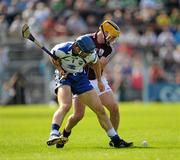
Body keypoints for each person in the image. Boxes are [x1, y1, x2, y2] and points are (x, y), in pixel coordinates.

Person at [56, 20, 133, 148]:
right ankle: (64, 134)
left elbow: (99, 64)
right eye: (113, 36)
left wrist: (88, 59)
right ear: (105, 32)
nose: (113, 40)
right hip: (80, 79)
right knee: (78, 115)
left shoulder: (108, 48)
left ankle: (115, 138)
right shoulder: (85, 40)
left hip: (97, 79)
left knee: (114, 107)